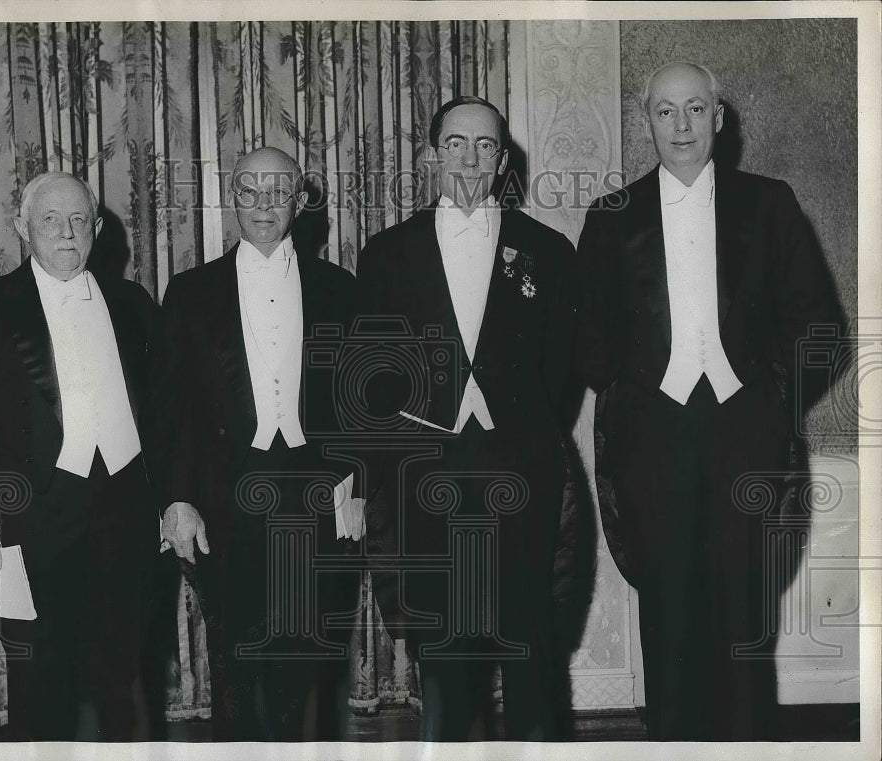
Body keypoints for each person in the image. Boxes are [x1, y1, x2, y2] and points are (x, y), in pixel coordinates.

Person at [577, 61, 844, 740]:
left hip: (746, 437)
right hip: (652, 446)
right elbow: (587, 335)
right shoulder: (611, 218)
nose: (682, 125)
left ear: (719, 119)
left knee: (744, 618)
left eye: (696, 109)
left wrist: (766, 395)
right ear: (648, 124)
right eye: (666, 112)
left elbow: (820, 326)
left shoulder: (770, 203)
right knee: (668, 619)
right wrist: (632, 392)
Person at [356, 95, 579, 741]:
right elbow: (371, 377)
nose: (469, 157)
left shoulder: (548, 249)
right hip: (429, 484)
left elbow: (562, 371)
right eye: (456, 143)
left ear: (502, 160)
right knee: (448, 661)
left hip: (521, 479)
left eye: (485, 146)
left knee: (531, 655)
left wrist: (512, 425)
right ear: (432, 155)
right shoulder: (387, 254)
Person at [0, 171, 160, 741]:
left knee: (122, 678)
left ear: (98, 229)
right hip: (31, 519)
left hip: (124, 514)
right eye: (50, 220)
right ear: (22, 227)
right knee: (39, 678)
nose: (66, 233)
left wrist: (168, 499)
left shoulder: (131, 303)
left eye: (79, 220)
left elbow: (165, 408)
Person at [151, 146, 363, 741]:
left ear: (300, 198)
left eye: (278, 190)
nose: (264, 203)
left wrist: (358, 483)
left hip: (319, 500)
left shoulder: (339, 290)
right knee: (237, 663)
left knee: (313, 666)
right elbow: (171, 411)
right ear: (231, 199)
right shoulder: (190, 293)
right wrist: (177, 500)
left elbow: (365, 401)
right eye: (249, 189)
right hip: (225, 502)